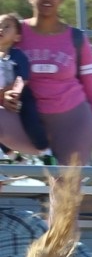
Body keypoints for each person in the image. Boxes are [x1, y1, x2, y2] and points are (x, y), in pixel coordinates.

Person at [19, 0, 92, 166]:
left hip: (72, 121)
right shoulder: (14, 32)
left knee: (65, 190)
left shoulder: (76, 38)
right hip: (27, 119)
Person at [0, 12, 51, 159]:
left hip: (20, 96)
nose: (1, 29)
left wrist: (11, 93)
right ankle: (10, 154)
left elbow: (23, 78)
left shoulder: (17, 55)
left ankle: (44, 150)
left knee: (30, 117)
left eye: (7, 27)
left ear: (17, 37)